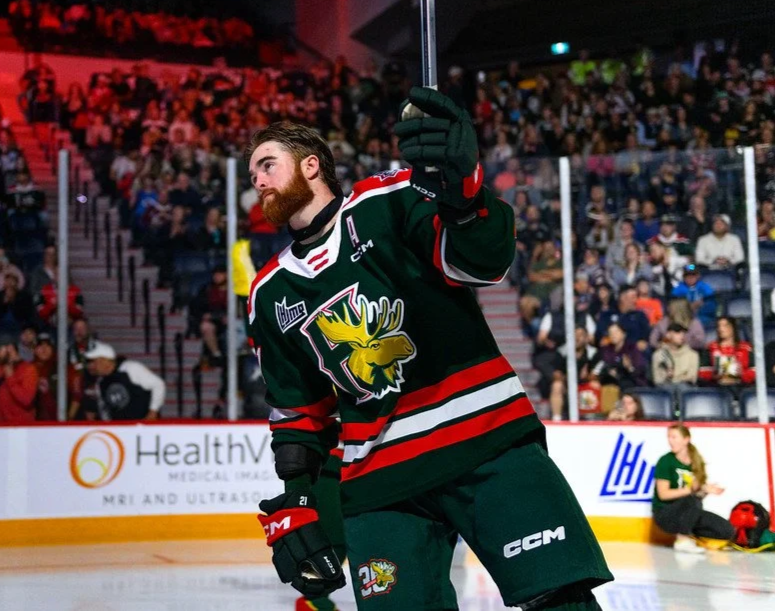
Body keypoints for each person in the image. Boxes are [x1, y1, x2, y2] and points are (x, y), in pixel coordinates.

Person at [247, 93, 611, 611]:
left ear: (311, 165)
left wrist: (465, 198)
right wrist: (300, 498)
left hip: (483, 441)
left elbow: (482, 262)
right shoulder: (270, 291)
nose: (258, 181)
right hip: (380, 479)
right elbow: (298, 408)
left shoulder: (388, 199)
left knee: (560, 600)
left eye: (267, 165)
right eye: (253, 172)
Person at [653, 424, 735, 553]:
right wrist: (692, 490)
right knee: (692, 499)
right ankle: (682, 540)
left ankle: (691, 537)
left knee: (726, 530)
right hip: (666, 515)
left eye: (674, 437)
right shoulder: (665, 461)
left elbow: (697, 497)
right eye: (669, 437)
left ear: (686, 440)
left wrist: (705, 490)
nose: (670, 440)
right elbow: (663, 494)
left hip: (687, 513)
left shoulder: (696, 462)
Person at [85, 341, 164, 421]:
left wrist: (152, 412)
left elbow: (158, 384)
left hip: (144, 428)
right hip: (121, 430)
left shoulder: (129, 368)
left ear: (105, 360)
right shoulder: (100, 383)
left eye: (93, 361)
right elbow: (105, 410)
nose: (90, 366)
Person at [0, 335, 39, 423]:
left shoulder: (28, 369)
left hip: (20, 428)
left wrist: (10, 377)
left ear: (9, 348)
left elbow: (26, 399)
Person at [698, 316, 755, 389]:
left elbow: (754, 371)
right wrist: (715, 375)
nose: (721, 329)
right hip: (717, 387)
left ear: (733, 328)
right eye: (719, 326)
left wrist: (742, 374)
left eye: (725, 325)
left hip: (742, 386)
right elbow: (703, 372)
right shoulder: (710, 348)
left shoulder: (746, 348)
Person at [651, 323, 699, 394]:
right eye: (677, 332)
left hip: (685, 390)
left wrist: (674, 377)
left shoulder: (693, 355)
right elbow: (657, 380)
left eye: (683, 333)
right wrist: (667, 376)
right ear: (668, 335)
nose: (682, 335)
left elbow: (692, 378)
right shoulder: (658, 355)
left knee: (682, 388)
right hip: (666, 389)